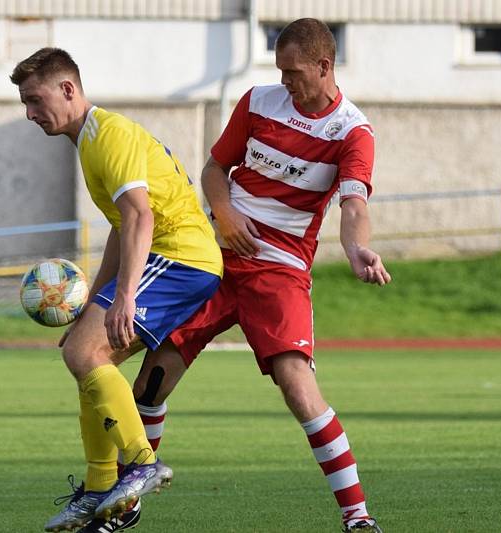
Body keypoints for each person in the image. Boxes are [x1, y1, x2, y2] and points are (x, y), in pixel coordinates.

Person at [129, 18, 390, 532]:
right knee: (152, 380)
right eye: (279, 71)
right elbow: (213, 170)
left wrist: (359, 248)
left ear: (324, 65)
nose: (285, 82)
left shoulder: (353, 133)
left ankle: (357, 517)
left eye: (293, 72)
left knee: (299, 388)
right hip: (215, 259)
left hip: (280, 270)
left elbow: (354, 202)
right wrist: (225, 213)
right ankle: (126, 502)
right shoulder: (257, 101)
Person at [10, 47, 223, 533]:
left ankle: (141, 464)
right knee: (86, 357)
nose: (30, 114)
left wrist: (124, 296)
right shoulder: (90, 142)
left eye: (35, 100)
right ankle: (99, 487)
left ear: (68, 89)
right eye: (24, 103)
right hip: (167, 257)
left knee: (86, 353)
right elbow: (119, 226)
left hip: (181, 257)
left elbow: (141, 216)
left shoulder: (110, 135)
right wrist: (94, 301)